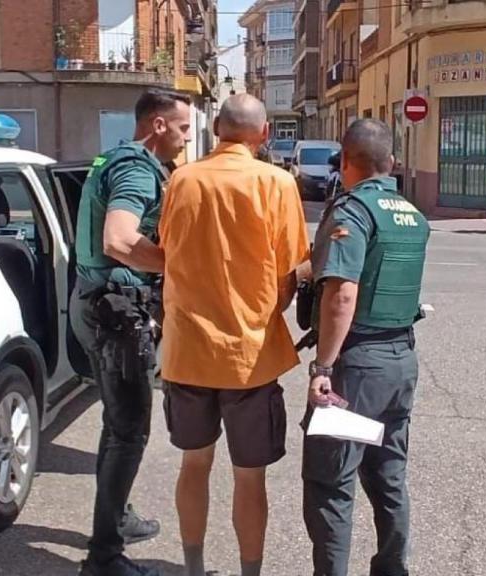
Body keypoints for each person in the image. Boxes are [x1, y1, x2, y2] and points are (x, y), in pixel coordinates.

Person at [158, 94, 311, 576]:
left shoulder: (182, 179)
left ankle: (193, 568)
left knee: (194, 465)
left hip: (187, 351)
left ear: (217, 129)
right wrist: (272, 306)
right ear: (264, 135)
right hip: (251, 354)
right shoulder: (277, 182)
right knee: (250, 479)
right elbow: (292, 268)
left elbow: (167, 248)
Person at [71, 89, 192, 576]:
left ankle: (115, 519)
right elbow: (119, 239)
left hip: (95, 304)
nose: (187, 138)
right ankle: (104, 559)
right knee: (129, 433)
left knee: (115, 427)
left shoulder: (111, 159)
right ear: (158, 126)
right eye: (183, 128)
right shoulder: (137, 168)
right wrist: (182, 266)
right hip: (117, 316)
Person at [302, 119, 430, 576]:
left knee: (331, 484)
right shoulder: (412, 214)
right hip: (401, 363)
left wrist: (323, 367)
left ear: (346, 160)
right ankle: (392, 569)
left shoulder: (351, 211)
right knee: (388, 477)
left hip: (356, 368)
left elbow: (342, 294)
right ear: (391, 163)